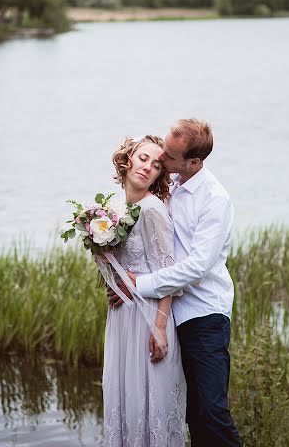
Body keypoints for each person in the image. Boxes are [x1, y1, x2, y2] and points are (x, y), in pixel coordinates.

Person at [109, 119, 242, 447]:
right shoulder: (170, 186)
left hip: (202, 314)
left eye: (168, 156)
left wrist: (137, 285)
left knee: (209, 411)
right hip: (160, 311)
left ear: (193, 162)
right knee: (185, 412)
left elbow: (196, 267)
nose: (161, 161)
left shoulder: (214, 199)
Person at [101, 135, 187, 447]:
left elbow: (170, 275)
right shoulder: (110, 208)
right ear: (127, 159)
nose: (147, 167)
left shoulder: (152, 209)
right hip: (121, 316)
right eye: (142, 158)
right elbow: (114, 265)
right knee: (124, 396)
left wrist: (160, 327)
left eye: (156, 165)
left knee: (149, 399)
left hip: (148, 316)